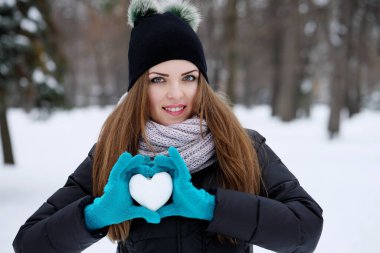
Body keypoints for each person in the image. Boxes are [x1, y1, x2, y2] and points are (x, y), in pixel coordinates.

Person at [13, 0, 323, 252]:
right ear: (138, 89)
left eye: (188, 77)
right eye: (158, 80)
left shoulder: (241, 146)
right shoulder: (113, 154)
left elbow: (306, 229)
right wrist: (95, 215)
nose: (176, 93)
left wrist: (212, 207)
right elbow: (28, 243)